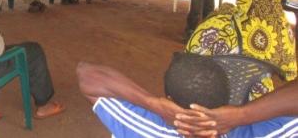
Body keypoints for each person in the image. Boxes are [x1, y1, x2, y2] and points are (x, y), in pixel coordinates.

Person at [77, 53, 298, 138]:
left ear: (170, 101)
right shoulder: (264, 132)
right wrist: (242, 115)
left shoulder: (144, 129)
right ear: (228, 98)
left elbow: (86, 74)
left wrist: (153, 104)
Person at [186, 0, 296, 100]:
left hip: (210, 92)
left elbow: (191, 53)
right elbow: (289, 74)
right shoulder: (283, 33)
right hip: (253, 101)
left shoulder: (221, 19)